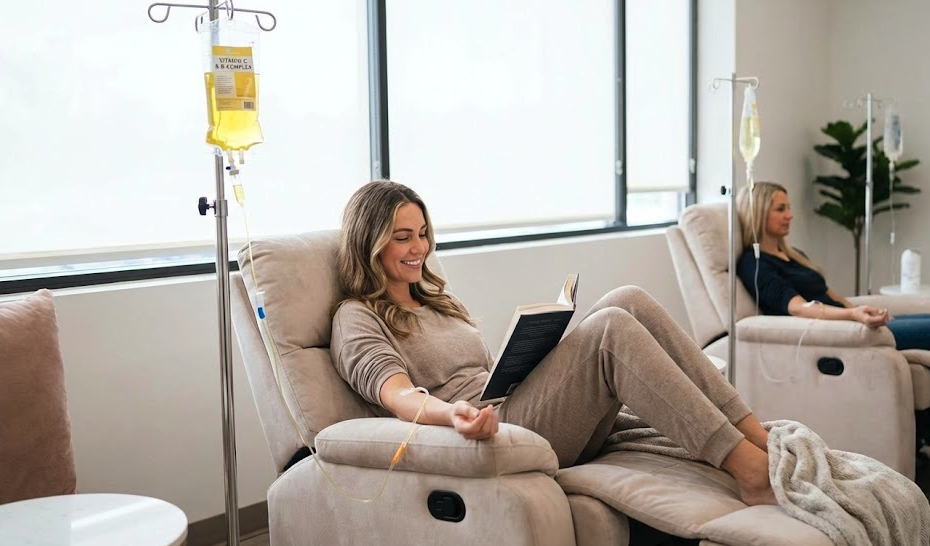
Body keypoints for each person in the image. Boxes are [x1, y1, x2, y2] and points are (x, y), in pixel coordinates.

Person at [331, 180, 777, 506]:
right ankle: (747, 469)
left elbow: (487, 374)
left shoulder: (436, 302)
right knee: (610, 330)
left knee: (628, 300)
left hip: (517, 403)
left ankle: (755, 436)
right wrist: (454, 415)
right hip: (497, 429)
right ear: (369, 242)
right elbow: (399, 395)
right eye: (402, 237)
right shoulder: (356, 317)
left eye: (423, 233)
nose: (419, 248)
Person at [735, 181, 930, 351]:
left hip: (850, 321)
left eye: (789, 207)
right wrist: (853, 315)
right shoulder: (755, 264)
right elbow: (799, 308)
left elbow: (829, 294)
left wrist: (860, 309)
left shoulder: (794, 255)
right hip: (841, 331)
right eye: (780, 209)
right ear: (757, 214)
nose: (790, 215)